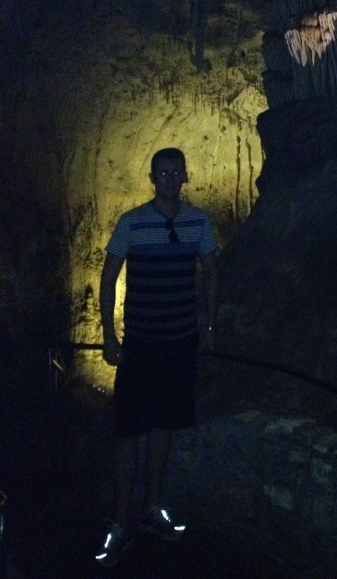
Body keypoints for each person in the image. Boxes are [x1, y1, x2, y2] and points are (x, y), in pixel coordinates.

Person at [95, 147, 218, 568]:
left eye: (175, 172)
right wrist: (109, 335)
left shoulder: (199, 222)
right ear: (153, 178)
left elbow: (211, 272)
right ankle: (120, 521)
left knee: (164, 425)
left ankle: (152, 507)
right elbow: (108, 277)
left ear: (185, 176)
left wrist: (208, 326)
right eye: (161, 172)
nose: (168, 178)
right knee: (129, 432)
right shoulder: (131, 223)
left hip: (180, 342)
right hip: (142, 345)